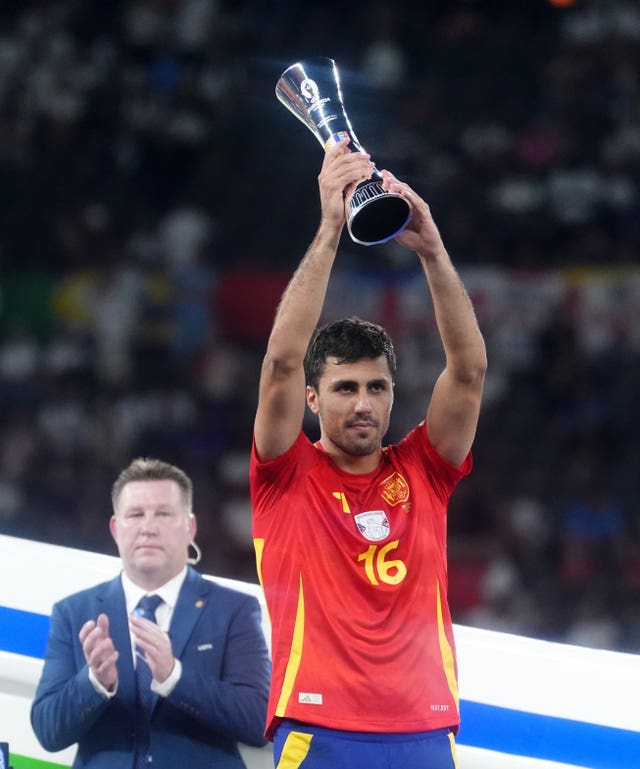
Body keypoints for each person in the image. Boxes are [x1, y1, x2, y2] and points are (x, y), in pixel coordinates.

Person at [250, 137, 487, 769]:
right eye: (344, 387)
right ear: (311, 398)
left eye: (376, 387)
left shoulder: (424, 471)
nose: (362, 403)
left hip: (425, 730)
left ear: (391, 395)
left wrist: (433, 252)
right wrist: (331, 226)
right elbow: (277, 361)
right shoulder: (283, 474)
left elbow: (467, 372)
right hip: (317, 729)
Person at [31, 457, 271, 769]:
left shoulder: (234, 610)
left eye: (163, 514)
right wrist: (94, 682)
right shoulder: (74, 613)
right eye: (135, 514)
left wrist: (175, 676)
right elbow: (48, 732)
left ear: (190, 528)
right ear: (116, 529)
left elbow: (258, 723)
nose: (148, 527)